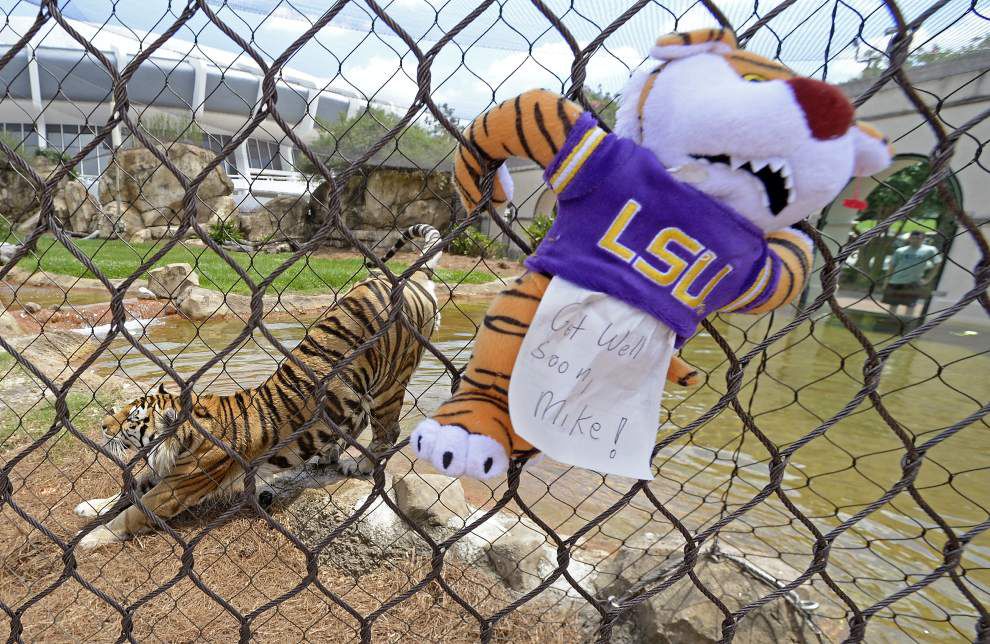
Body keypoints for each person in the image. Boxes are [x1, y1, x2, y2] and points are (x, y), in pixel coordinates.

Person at [881, 231, 940, 317]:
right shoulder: (900, 251)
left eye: (918, 238)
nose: (915, 240)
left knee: (910, 306)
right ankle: (890, 321)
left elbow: (937, 264)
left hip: (913, 283)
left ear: (923, 239)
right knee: (893, 305)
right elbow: (892, 266)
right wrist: (886, 281)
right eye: (913, 238)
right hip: (896, 281)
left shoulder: (930, 250)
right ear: (909, 239)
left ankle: (906, 324)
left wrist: (928, 279)